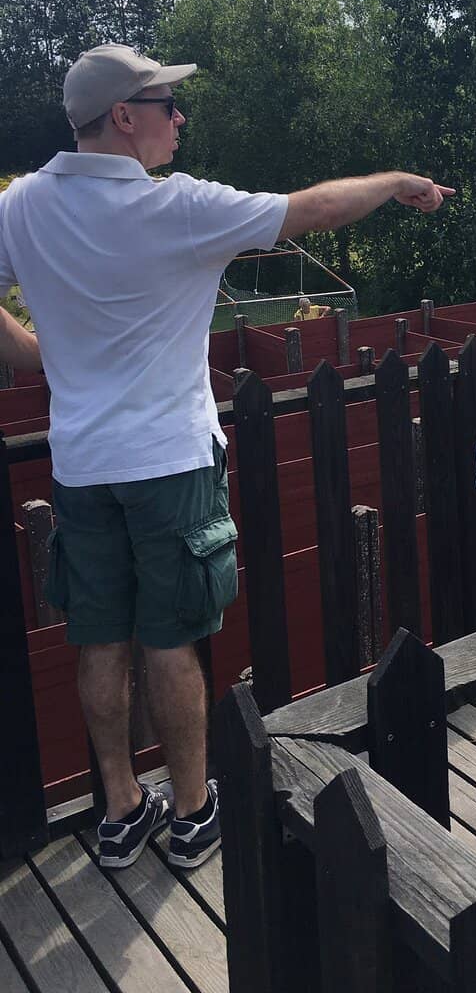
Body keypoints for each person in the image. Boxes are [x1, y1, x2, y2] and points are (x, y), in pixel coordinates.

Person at [0, 43, 453, 871]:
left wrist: (33, 352)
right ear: (123, 117)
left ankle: (120, 812)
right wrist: (394, 182)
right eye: (165, 104)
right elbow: (315, 209)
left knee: (99, 641)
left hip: (81, 468)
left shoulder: (22, 203)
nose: (179, 118)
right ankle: (192, 812)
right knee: (170, 641)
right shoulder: (177, 208)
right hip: (168, 464)